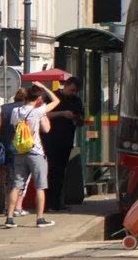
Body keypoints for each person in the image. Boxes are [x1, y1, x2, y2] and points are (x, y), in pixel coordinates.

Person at [5, 83, 62, 228]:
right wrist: (44, 87)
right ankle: (40, 218)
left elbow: (13, 125)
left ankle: (10, 219)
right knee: (40, 186)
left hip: (20, 152)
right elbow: (56, 101)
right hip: (35, 152)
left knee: (16, 186)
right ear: (38, 99)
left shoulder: (16, 111)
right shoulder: (38, 111)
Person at [41, 77, 83, 212]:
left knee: (60, 172)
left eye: (76, 91)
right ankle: (46, 202)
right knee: (49, 171)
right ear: (66, 86)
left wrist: (78, 118)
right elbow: (44, 114)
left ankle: (56, 202)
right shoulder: (53, 97)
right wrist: (62, 114)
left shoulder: (76, 101)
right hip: (50, 139)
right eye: (72, 90)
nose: (73, 93)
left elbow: (81, 121)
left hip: (66, 140)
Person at [0, 88, 29, 216]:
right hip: (22, 146)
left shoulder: (5, 108)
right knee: (21, 176)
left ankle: (8, 207)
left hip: (7, 145)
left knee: (8, 177)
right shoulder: (27, 108)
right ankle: (18, 207)